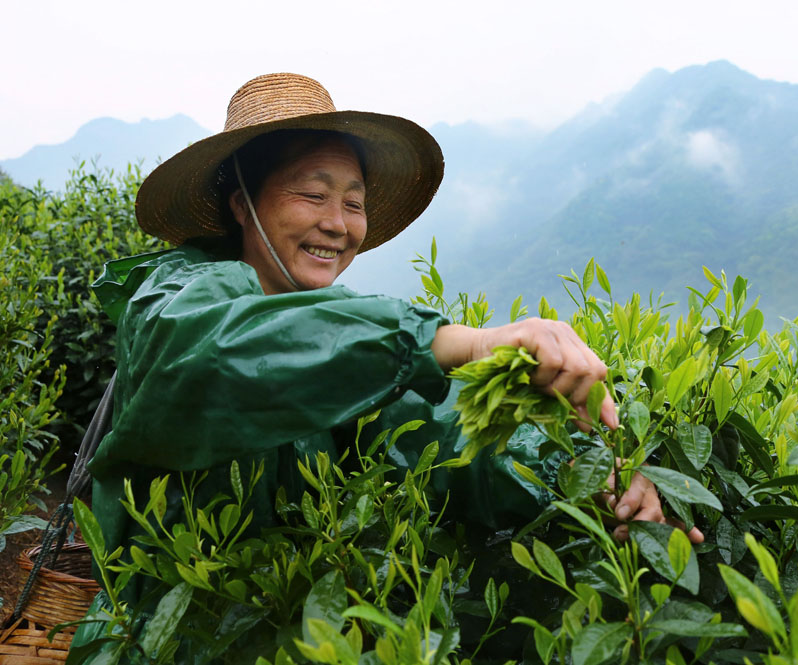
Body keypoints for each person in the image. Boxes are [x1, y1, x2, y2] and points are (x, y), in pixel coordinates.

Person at [70, 73, 696, 660]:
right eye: (312, 195)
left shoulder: (349, 330)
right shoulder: (174, 298)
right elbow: (217, 357)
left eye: (353, 202)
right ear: (243, 205)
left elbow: (440, 434)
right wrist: (462, 342)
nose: (337, 224)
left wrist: (584, 477)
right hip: (157, 640)